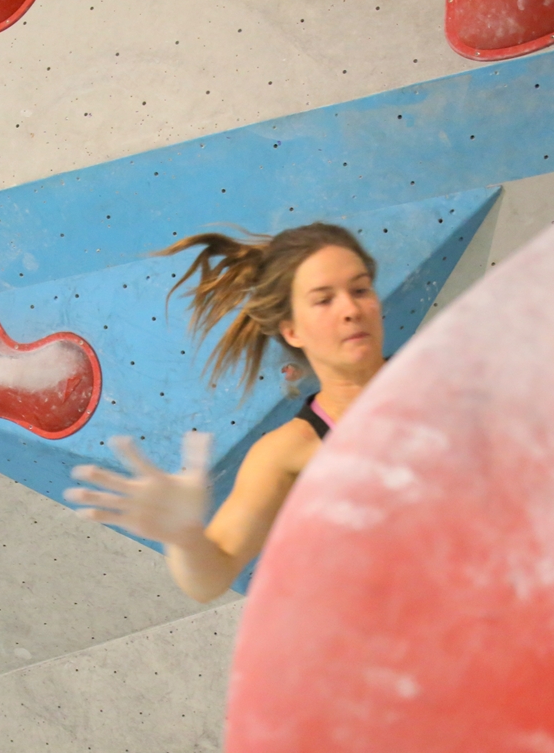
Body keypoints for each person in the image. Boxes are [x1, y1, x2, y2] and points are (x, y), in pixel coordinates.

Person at [64, 224, 386, 603]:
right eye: (323, 300)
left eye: (360, 289)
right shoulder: (285, 455)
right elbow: (210, 577)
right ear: (292, 330)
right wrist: (183, 536)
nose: (351, 309)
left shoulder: (455, 379)